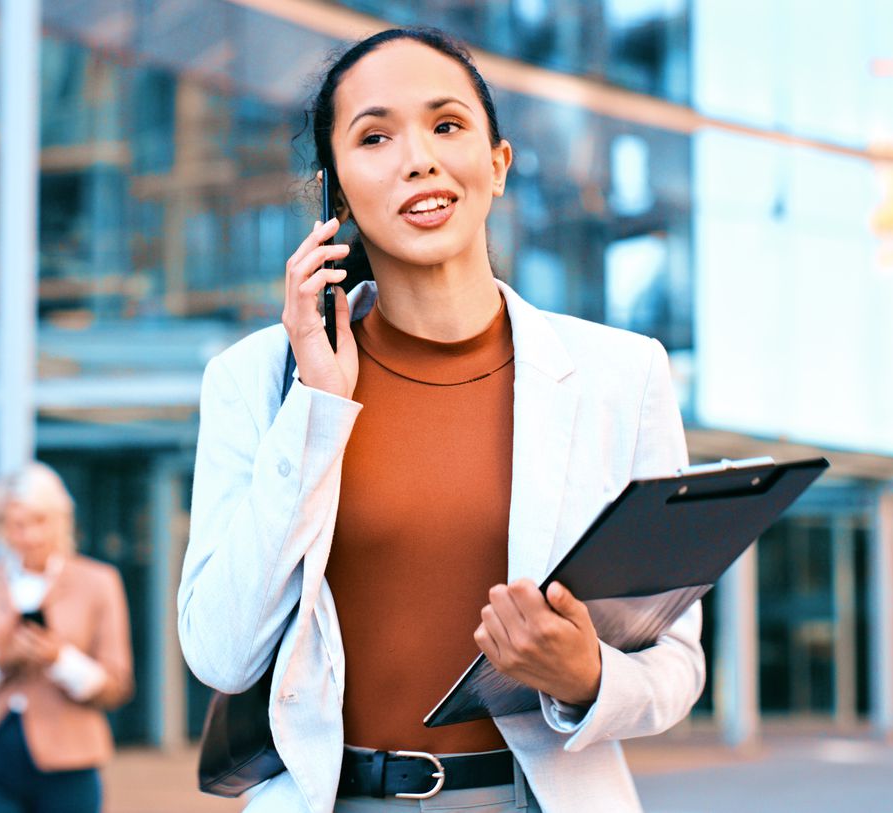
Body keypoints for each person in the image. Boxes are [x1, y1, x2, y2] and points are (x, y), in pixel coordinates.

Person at [178, 28, 704, 813]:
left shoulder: (623, 375)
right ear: (336, 192)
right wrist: (318, 406)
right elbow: (222, 653)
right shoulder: (255, 379)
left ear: (496, 164)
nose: (417, 158)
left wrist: (585, 673)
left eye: (447, 125)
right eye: (375, 136)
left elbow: (677, 663)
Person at [0, 461, 134, 813]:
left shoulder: (98, 581)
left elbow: (117, 685)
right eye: (16, 524)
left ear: (62, 520)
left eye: (40, 521)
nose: (29, 536)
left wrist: (58, 659)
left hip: (70, 763)